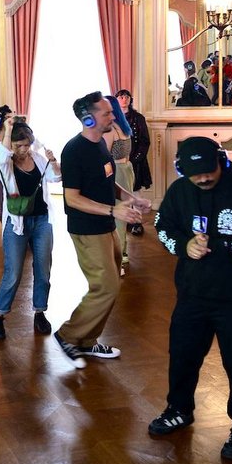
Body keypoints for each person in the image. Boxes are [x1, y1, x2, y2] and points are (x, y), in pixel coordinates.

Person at [149, 137, 232, 461]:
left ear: (221, 161)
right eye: (196, 174)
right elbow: (162, 225)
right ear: (182, 169)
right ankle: (179, 409)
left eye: (209, 170)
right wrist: (183, 246)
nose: (204, 178)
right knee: (182, 356)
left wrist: (219, 247)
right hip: (192, 294)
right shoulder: (179, 192)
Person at [52, 92, 150, 369]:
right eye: (107, 112)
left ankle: (86, 341)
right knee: (105, 286)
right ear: (88, 118)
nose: (113, 116)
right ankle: (68, 335)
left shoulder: (101, 146)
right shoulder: (74, 151)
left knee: (110, 285)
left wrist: (130, 198)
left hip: (106, 225)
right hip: (87, 229)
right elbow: (72, 198)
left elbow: (109, 184)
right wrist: (113, 210)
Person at [0, 117, 61, 340]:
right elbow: (0, 159)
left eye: (26, 144)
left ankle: (40, 312)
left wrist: (53, 161)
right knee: (13, 272)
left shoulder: (38, 159)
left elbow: (56, 177)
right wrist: (8, 129)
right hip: (16, 223)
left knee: (43, 269)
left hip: (41, 220)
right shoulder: (6, 163)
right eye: (18, 145)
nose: (22, 149)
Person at [103, 95, 134, 275]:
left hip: (116, 172)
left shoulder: (111, 130)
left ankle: (118, 256)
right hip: (127, 169)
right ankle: (123, 252)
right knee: (123, 213)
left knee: (117, 216)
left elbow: (104, 156)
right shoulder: (124, 127)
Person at [115, 90, 151, 235]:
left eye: (127, 97)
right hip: (116, 163)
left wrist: (135, 159)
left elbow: (145, 141)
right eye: (121, 97)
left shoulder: (138, 118)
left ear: (131, 99)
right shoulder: (112, 119)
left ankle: (137, 222)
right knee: (118, 193)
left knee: (135, 193)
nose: (124, 99)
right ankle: (123, 222)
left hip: (135, 162)